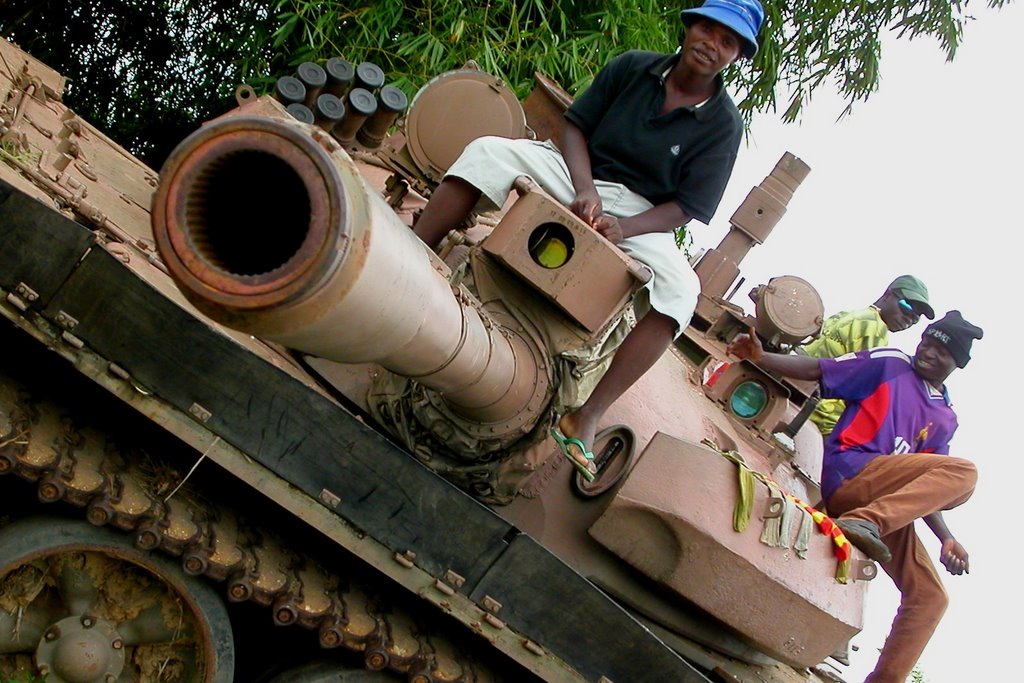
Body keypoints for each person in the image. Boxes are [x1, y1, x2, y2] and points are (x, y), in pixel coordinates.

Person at [413, 0, 765, 479]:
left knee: (681, 293)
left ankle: (587, 414)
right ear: (690, 28)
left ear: (737, 56)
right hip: (575, 171)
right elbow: (576, 125)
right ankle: (414, 259)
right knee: (489, 154)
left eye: (728, 41)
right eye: (709, 28)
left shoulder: (724, 124)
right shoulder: (633, 67)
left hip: (642, 214)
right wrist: (585, 189)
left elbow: (687, 207)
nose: (713, 44)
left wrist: (626, 229)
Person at [726, 310, 983, 683]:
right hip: (854, 477)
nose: (928, 350)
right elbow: (820, 367)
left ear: (956, 363)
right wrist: (761, 357)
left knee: (931, 596)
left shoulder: (945, 417)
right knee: (966, 473)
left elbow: (931, 483)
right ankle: (867, 522)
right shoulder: (891, 365)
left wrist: (947, 538)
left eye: (941, 351)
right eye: (927, 341)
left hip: (883, 509)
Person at [797, 274, 935, 435]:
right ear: (888, 294)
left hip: (802, 397)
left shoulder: (848, 315)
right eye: (907, 307)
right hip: (820, 419)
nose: (909, 318)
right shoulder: (874, 329)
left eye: (915, 318)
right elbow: (868, 392)